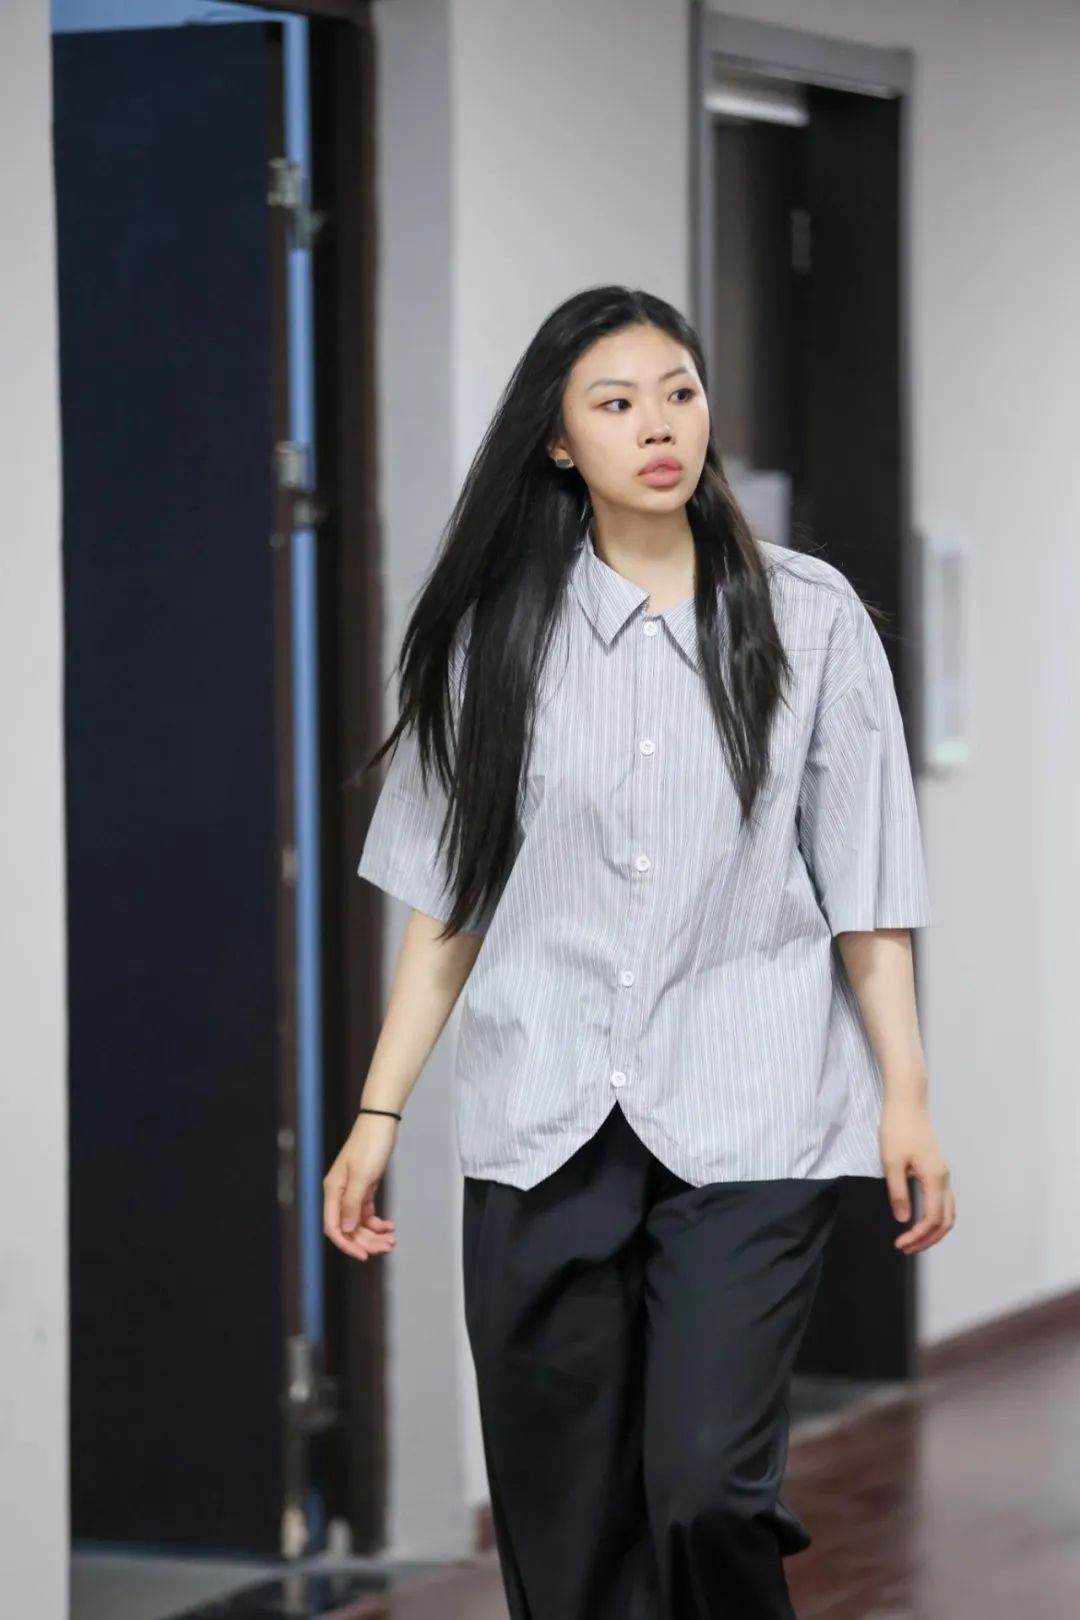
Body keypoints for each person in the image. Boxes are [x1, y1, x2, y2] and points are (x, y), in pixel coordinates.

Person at [322, 285, 955, 1620]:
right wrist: (379, 1113)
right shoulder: (494, 637)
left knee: (706, 1491)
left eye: (678, 391)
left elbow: (868, 892)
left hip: (752, 1115)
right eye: (616, 404)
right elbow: (447, 907)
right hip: (541, 1120)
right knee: (566, 1532)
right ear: (560, 441)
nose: (659, 425)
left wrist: (905, 1093)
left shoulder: (810, 617)